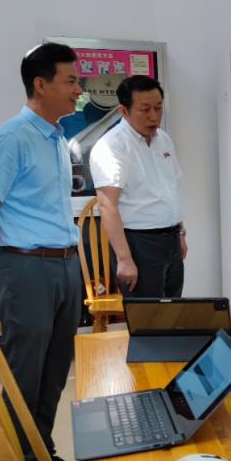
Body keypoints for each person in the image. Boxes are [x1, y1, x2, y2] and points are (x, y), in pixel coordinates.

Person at [0, 42, 83, 461]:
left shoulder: (57, 138)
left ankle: (41, 455)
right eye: (70, 81)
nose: (79, 89)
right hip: (26, 266)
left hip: (65, 265)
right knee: (24, 374)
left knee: (54, 372)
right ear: (41, 84)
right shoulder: (11, 138)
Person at [89, 76, 186, 298]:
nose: (154, 116)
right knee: (148, 315)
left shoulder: (163, 139)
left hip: (171, 240)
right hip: (139, 243)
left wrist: (180, 232)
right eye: (145, 109)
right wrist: (124, 259)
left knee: (175, 311)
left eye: (158, 108)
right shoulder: (112, 146)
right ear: (124, 111)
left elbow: (170, 189)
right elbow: (107, 205)